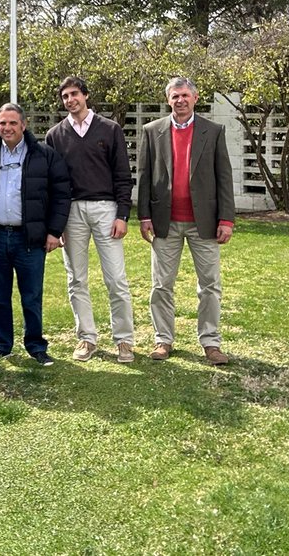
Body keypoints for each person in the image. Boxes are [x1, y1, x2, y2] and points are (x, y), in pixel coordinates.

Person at [137, 77, 236, 365]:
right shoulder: (152, 131)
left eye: (184, 95)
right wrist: (144, 216)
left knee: (209, 285)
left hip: (203, 222)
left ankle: (211, 342)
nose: (179, 100)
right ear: (168, 100)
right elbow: (144, 177)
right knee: (161, 285)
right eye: (174, 96)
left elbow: (224, 178)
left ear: (194, 98)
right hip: (164, 222)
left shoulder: (213, 131)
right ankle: (163, 339)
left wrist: (226, 219)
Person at [0, 104, 71, 366]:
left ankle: (36, 346)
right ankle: (1, 345)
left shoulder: (44, 154)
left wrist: (54, 232)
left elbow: (61, 194)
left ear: (23, 125)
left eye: (12, 123)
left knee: (31, 296)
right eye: (2, 123)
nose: (7, 128)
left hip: (30, 238)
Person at [45, 76, 137, 364]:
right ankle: (87, 338)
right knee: (76, 279)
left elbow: (123, 176)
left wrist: (122, 214)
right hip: (72, 213)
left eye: (74, 94)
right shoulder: (55, 135)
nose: (70, 100)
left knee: (116, 279)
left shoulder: (110, 130)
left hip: (106, 210)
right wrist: (55, 225)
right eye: (65, 97)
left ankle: (124, 340)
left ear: (85, 95)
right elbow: (52, 185)